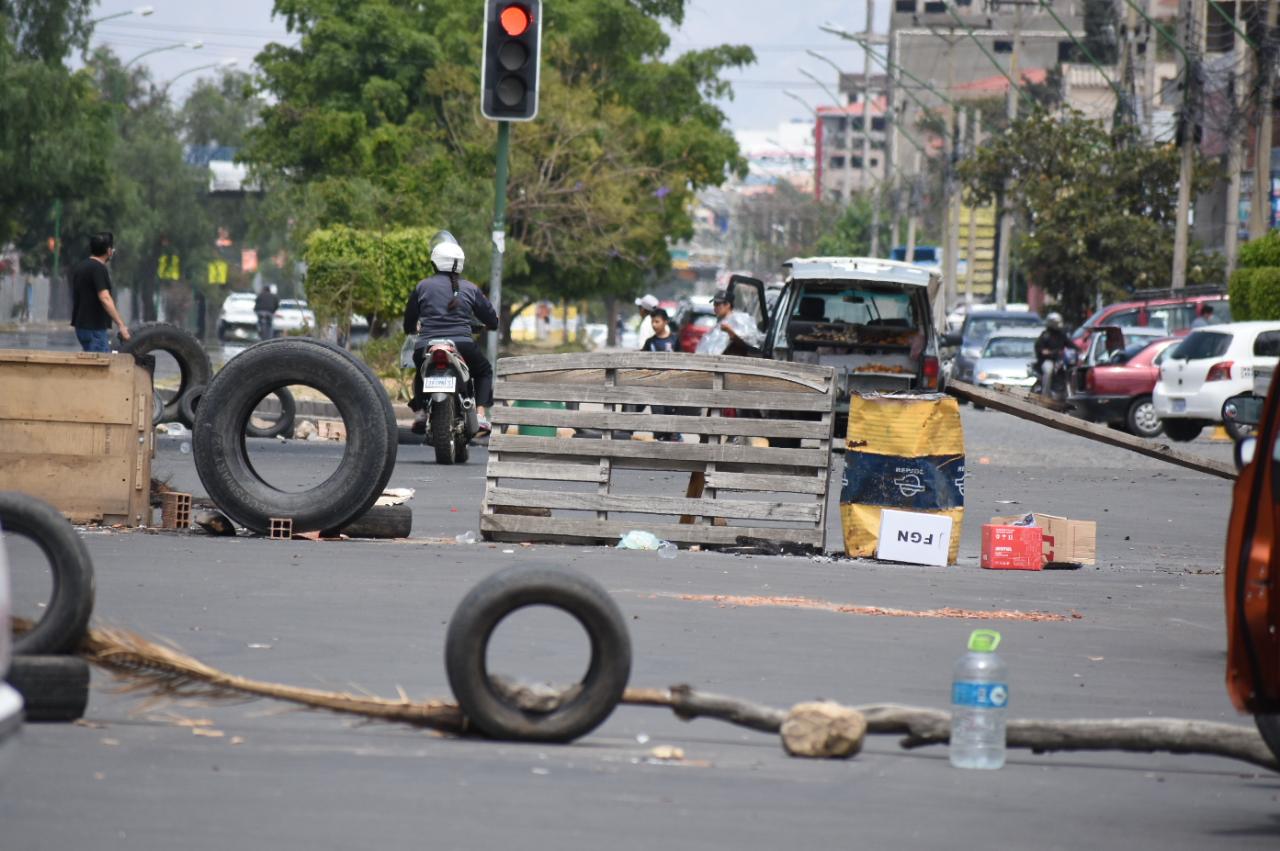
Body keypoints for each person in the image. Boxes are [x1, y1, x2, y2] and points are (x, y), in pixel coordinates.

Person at [402, 231, 499, 436]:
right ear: (460, 264)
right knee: (483, 371)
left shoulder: (422, 286)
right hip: (462, 345)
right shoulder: (471, 289)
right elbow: (491, 319)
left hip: (426, 345)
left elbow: (409, 319)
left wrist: (412, 329)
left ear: (435, 262)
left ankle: (420, 412)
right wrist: (490, 325)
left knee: (421, 371)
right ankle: (480, 414)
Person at [69, 231, 130, 352]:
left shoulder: (81, 267)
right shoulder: (98, 268)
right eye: (112, 249)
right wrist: (121, 325)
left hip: (81, 326)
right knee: (101, 367)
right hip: (94, 329)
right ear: (108, 251)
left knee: (92, 363)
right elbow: (105, 298)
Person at [642, 308, 679, 440]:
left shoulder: (675, 340)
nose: (654, 325)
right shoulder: (649, 342)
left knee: (670, 414)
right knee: (657, 413)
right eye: (652, 322)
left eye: (657, 321)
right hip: (655, 386)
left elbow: (682, 361)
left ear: (665, 322)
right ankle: (659, 438)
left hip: (672, 386)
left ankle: (673, 437)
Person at [1034, 312, 1071, 398]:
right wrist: (1049, 352)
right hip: (1049, 360)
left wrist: (1080, 350)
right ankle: (1045, 395)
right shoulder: (1045, 335)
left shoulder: (1062, 335)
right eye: (1056, 322)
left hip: (1061, 360)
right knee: (1048, 371)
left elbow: (1070, 344)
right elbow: (1040, 349)